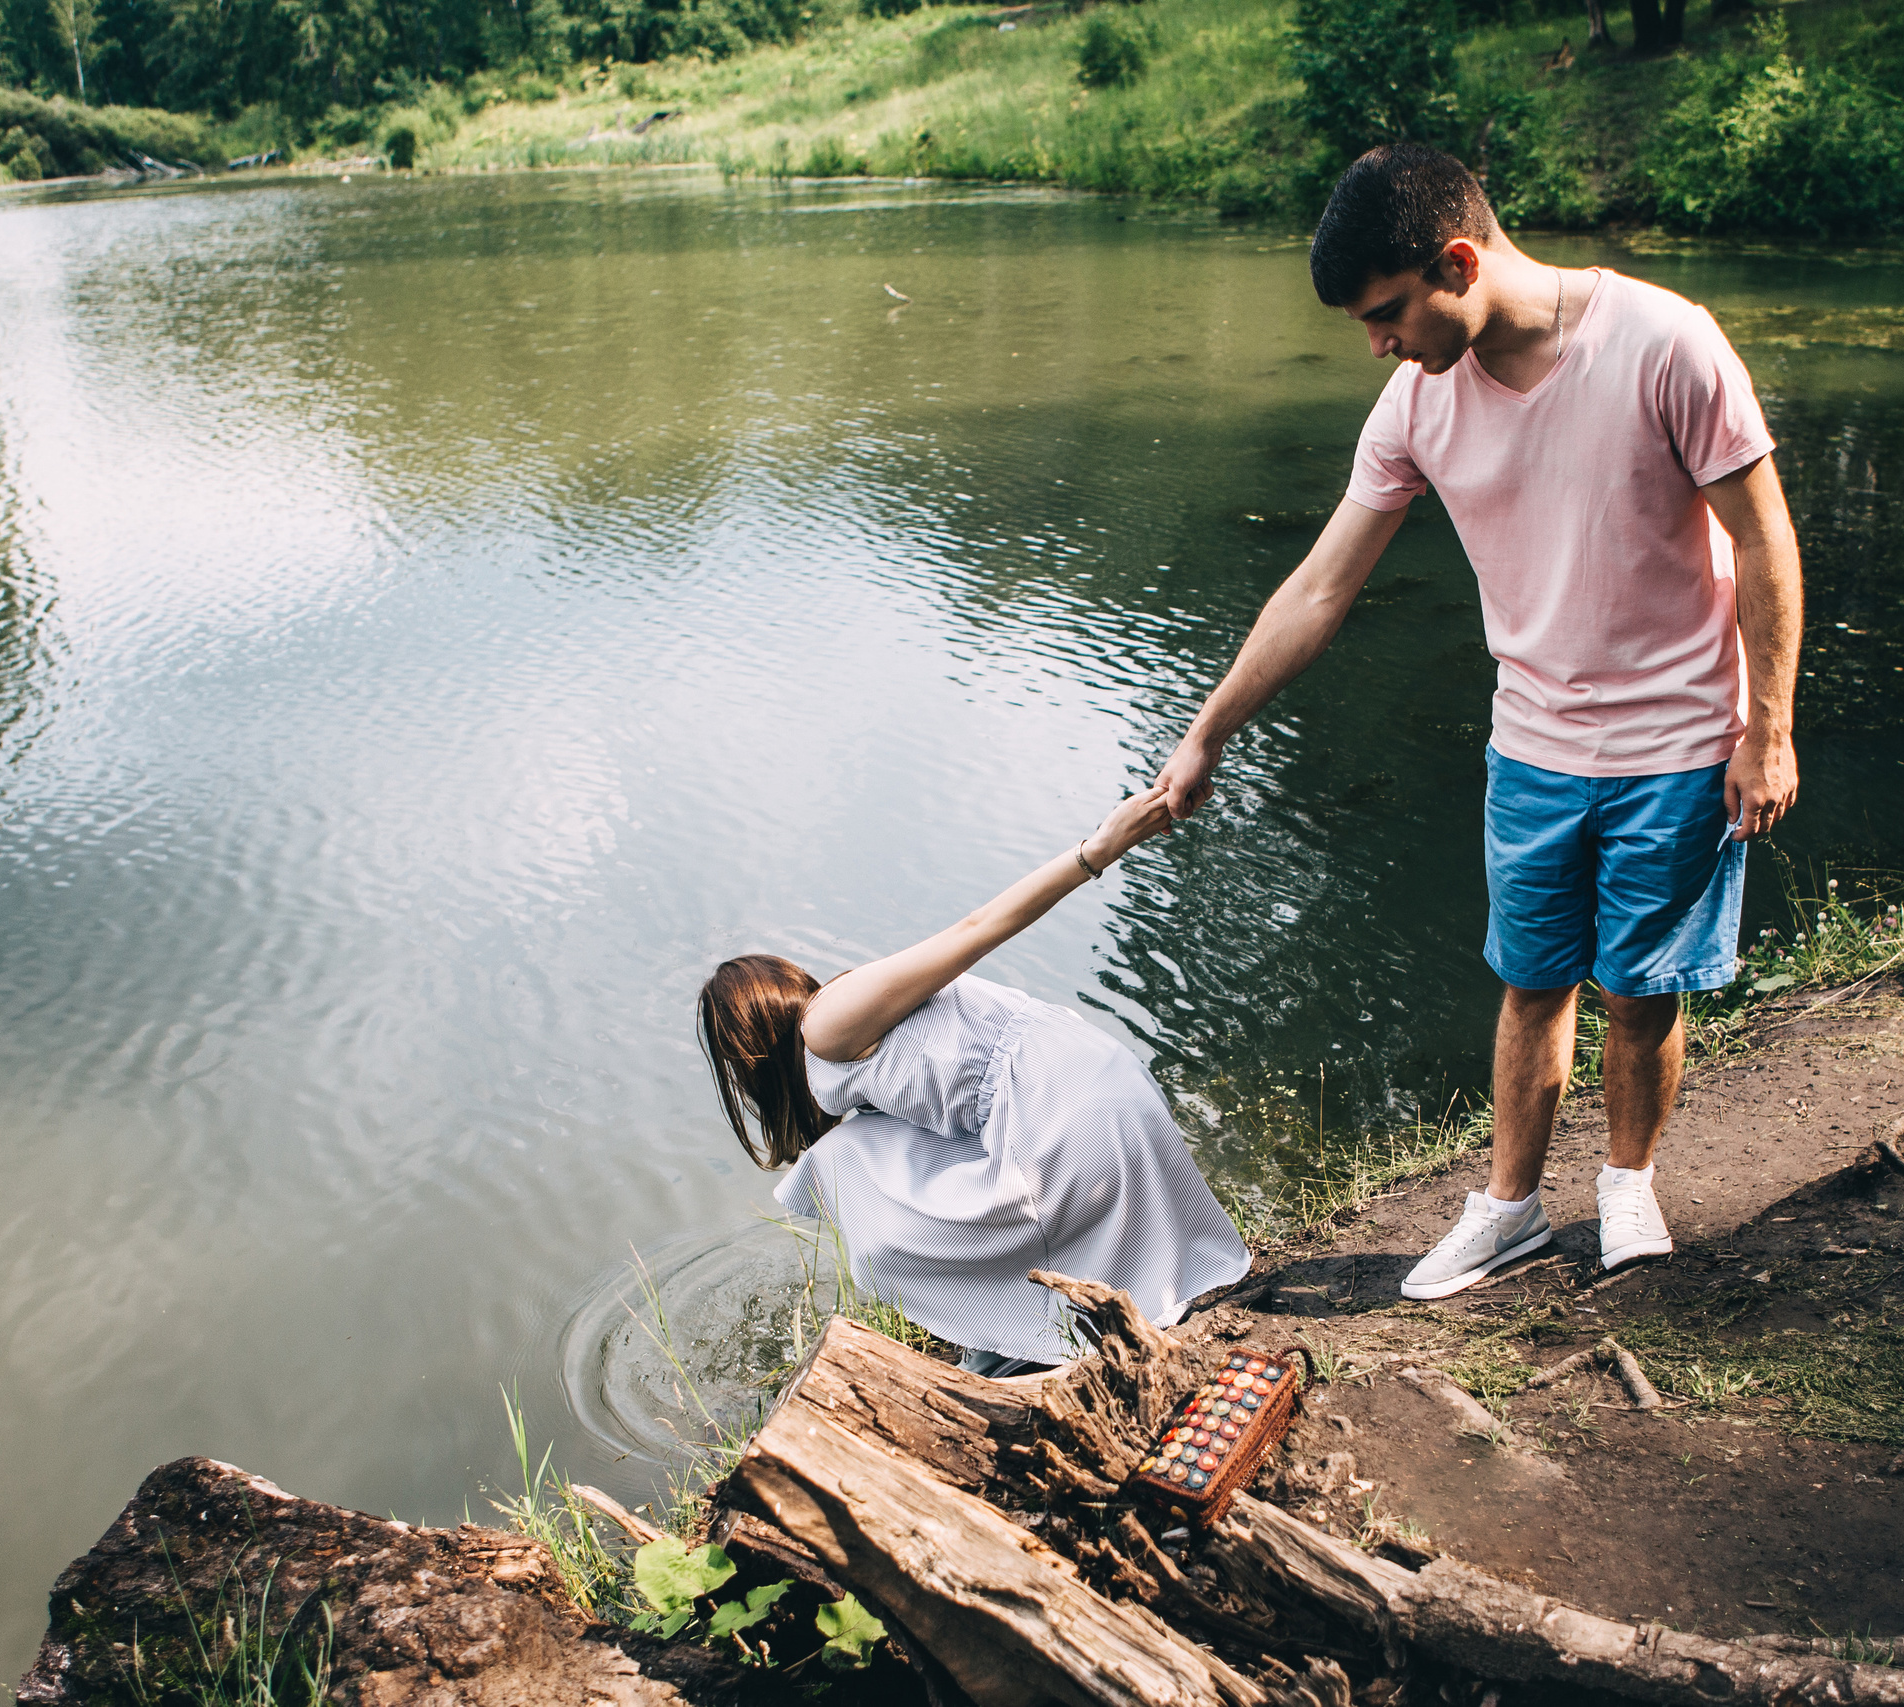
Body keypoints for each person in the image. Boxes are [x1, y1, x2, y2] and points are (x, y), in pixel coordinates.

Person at [1154, 143, 1804, 1300]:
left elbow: (1761, 538)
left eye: (1388, 312)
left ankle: (1625, 1187)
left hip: (1679, 739)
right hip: (1534, 744)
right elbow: (1318, 587)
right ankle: (1508, 1211)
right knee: (1529, 978)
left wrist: (1769, 727)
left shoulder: (1665, 343)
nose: (1377, 344)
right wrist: (1209, 730)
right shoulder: (1414, 404)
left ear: (1458, 261)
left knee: (1643, 986)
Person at [696, 787, 1249, 1373]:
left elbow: (975, 929)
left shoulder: (829, 1022)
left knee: (840, 1162)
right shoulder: (838, 1040)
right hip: (1097, 1087)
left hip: (1062, 1106)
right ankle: (1007, 1342)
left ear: (749, 1043)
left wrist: (1100, 849)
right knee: (864, 1148)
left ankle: (1027, 1337)